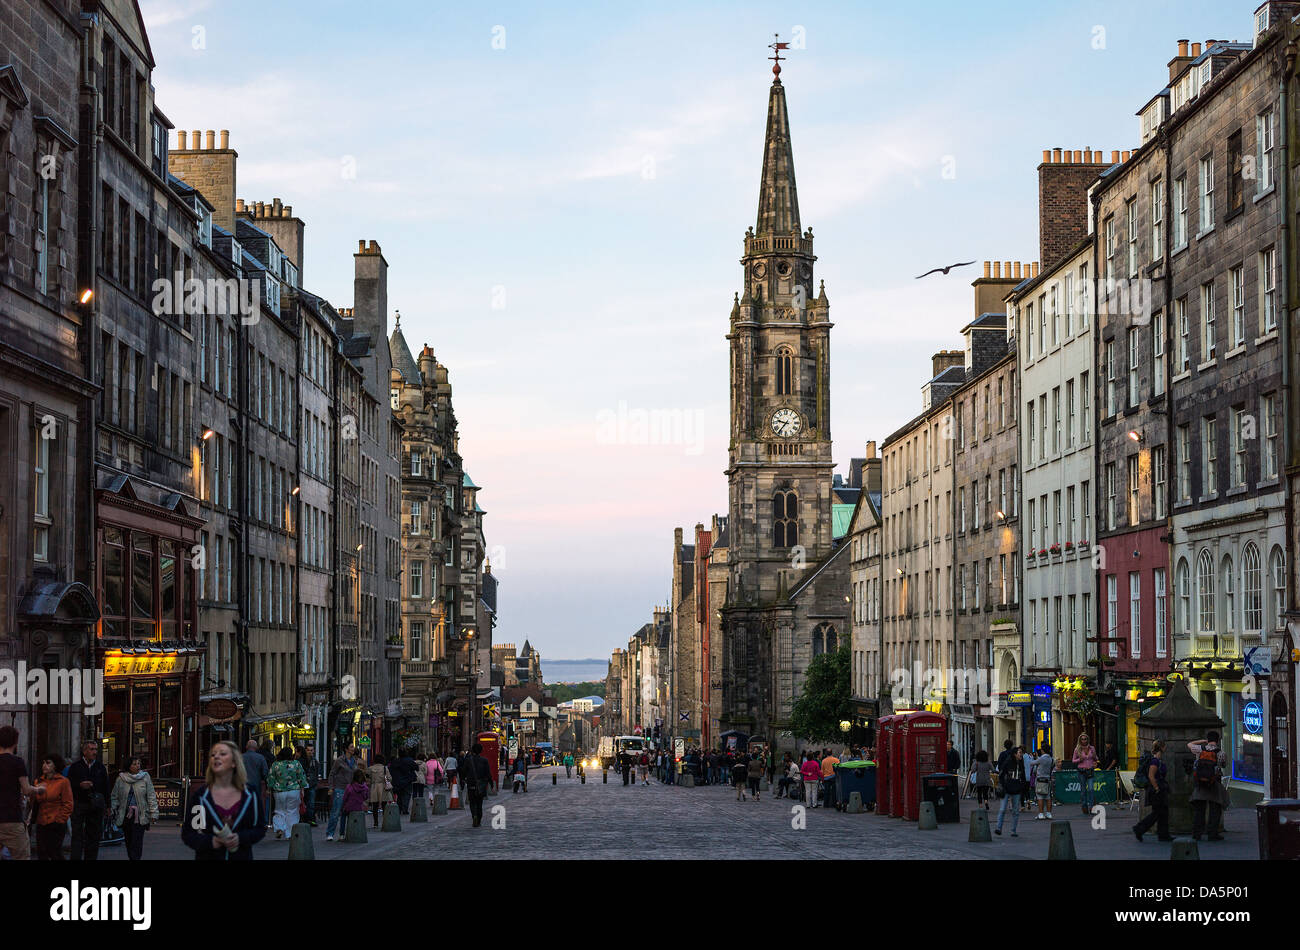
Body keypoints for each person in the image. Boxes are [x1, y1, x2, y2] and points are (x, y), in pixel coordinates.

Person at [181, 741, 266, 861]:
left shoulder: (250, 794)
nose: (216, 757)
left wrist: (240, 838)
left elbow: (259, 828)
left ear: (234, 762)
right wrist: (211, 841)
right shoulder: (201, 797)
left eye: (223, 754)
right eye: (213, 755)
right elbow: (190, 833)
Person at [66, 738, 109, 860]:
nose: (95, 752)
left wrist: (108, 806)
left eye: (96, 749)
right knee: (77, 835)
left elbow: (106, 786)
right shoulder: (75, 767)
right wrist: (80, 785)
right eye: (91, 749)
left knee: (93, 836)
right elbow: (69, 784)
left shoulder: (100, 767)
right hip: (80, 804)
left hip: (95, 805)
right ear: (84, 751)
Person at [110, 755, 159, 860]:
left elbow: (151, 795)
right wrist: (112, 809)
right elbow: (114, 796)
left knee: (137, 841)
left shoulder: (145, 777)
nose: (138, 766)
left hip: (140, 815)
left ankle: (135, 858)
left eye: (138, 764)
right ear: (129, 766)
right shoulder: (121, 779)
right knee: (129, 841)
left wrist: (154, 813)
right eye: (135, 764)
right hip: (125, 815)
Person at [0, 725, 38, 861]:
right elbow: (27, 790)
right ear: (15, 742)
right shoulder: (17, 762)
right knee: (22, 856)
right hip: (12, 819)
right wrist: (39, 789)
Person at [30, 752, 73, 860]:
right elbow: (35, 803)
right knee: (42, 853)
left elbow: (68, 803)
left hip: (56, 821)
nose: (44, 765)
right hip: (41, 822)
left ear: (55, 765)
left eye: (48, 763)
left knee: (54, 852)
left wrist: (60, 819)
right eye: (43, 763)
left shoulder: (63, 782)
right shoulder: (38, 781)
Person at [1188, 732, 1229, 841]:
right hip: (1214, 783)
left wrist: (1203, 741)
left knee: (1199, 810)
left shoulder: (1200, 749)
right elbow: (1223, 765)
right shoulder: (1221, 752)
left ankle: (1197, 834)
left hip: (1200, 783)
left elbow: (1189, 744)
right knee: (1215, 810)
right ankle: (1212, 834)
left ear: (1208, 739)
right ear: (1218, 740)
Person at [1132, 741, 1172, 842]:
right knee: (1157, 813)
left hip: (1159, 789)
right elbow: (1151, 776)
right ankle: (1139, 828)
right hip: (1156, 791)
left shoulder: (1157, 760)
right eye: (1164, 746)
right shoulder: (1155, 761)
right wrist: (1157, 788)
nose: (1165, 748)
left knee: (1162, 813)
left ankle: (1163, 834)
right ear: (1162, 748)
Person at [268, 747, 308, 839]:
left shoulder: (275, 764)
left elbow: (271, 778)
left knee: (279, 810)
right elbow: (301, 777)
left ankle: (279, 827)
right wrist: (303, 787)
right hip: (293, 791)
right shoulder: (296, 764)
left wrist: (270, 787)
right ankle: (290, 833)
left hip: (279, 791)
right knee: (292, 812)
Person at [325, 745, 357, 841]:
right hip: (340, 788)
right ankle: (330, 833)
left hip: (350, 789)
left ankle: (342, 834)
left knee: (346, 812)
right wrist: (331, 787)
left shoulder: (354, 760)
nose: (353, 748)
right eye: (351, 747)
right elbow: (332, 774)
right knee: (336, 811)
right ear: (346, 749)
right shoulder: (339, 760)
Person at [994, 746, 1025, 836]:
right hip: (1007, 789)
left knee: (1015, 811)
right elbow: (1001, 774)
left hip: (1016, 789)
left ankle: (1013, 830)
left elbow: (1022, 776)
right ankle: (998, 828)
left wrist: (1021, 786)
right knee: (1002, 809)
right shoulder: (1008, 762)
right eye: (1019, 752)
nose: (1021, 754)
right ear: (1015, 754)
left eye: (1021, 752)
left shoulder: (1021, 763)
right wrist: (1003, 785)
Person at [461, 742, 492, 827]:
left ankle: (474, 815)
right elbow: (488, 773)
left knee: (472, 802)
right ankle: (478, 819)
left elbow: (463, 771)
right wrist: (491, 783)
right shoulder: (484, 760)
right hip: (481, 784)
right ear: (481, 751)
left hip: (471, 783)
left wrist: (463, 779)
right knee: (479, 803)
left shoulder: (468, 760)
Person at [242, 739, 270, 826]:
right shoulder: (260, 758)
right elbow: (265, 773)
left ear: (246, 747)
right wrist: (268, 786)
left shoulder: (240, 757)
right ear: (256, 747)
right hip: (255, 784)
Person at [1072, 733, 1099, 815]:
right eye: (1082, 739)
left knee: (1091, 789)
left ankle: (1091, 807)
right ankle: (1084, 806)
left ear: (1088, 740)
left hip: (1090, 771)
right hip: (1081, 771)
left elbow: (1096, 758)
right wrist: (1079, 759)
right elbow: (1073, 760)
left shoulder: (1092, 748)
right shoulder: (1077, 749)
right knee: (1083, 790)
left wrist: (1095, 760)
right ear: (1080, 740)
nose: (1084, 741)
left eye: (1085, 739)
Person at [367, 754, 392, 829]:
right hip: (383, 787)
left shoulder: (370, 768)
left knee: (375, 806)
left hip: (374, 787)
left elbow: (368, 778)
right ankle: (385, 821)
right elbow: (389, 778)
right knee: (384, 805)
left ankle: (375, 823)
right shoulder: (385, 768)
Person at [299, 744, 321, 826]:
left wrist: (315, 781)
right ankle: (302, 818)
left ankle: (310, 819)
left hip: (312, 785)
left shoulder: (315, 761)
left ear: (314, 751)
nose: (310, 752)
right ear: (305, 750)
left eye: (311, 750)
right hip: (303, 785)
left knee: (311, 803)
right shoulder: (301, 761)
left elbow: (317, 772)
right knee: (301, 802)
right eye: (308, 750)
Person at [1030, 744, 1055, 820]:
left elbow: (1032, 763)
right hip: (1047, 779)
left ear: (1042, 750)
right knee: (1048, 797)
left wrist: (1034, 757)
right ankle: (1049, 813)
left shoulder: (1041, 758)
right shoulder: (1051, 759)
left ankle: (1041, 813)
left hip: (1040, 779)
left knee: (1040, 797)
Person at [389, 749, 416, 815]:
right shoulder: (410, 760)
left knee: (400, 795)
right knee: (407, 795)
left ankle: (399, 808)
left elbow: (391, 770)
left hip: (398, 781)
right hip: (407, 781)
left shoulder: (396, 761)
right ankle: (405, 809)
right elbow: (416, 767)